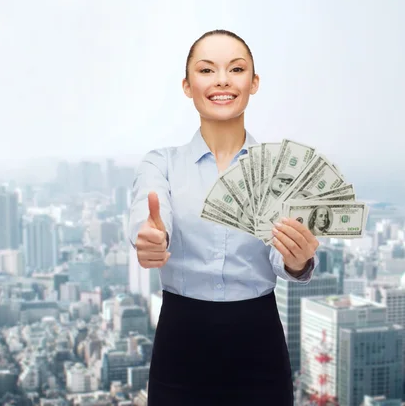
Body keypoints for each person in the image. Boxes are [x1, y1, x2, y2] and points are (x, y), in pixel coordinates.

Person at [128, 29, 320, 406]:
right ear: (187, 85)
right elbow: (149, 217)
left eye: (236, 69)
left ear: (254, 83)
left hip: (259, 341)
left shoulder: (279, 169)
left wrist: (298, 260)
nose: (222, 81)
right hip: (180, 343)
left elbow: (282, 256)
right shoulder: (161, 163)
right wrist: (151, 237)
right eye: (206, 70)